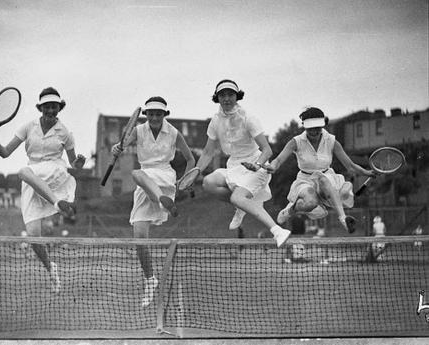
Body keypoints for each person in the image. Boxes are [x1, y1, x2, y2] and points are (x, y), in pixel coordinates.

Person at [0, 87, 86, 293]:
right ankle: (52, 269)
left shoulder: (65, 133)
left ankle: (57, 203)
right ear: (40, 108)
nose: (51, 110)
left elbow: (74, 165)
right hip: (33, 177)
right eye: (47, 106)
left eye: (55, 107)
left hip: (54, 171)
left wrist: (79, 162)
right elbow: (5, 153)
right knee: (33, 236)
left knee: (22, 171)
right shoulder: (27, 127)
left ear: (59, 108)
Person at [111, 96, 195, 307]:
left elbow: (191, 159)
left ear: (165, 114)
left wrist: (187, 179)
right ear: (146, 114)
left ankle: (161, 200)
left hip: (165, 178)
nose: (155, 117)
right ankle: (150, 279)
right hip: (145, 184)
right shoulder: (138, 131)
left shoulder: (174, 133)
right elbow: (121, 146)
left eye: (159, 113)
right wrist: (116, 148)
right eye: (151, 113)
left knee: (136, 173)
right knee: (139, 238)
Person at [195, 79, 291, 247]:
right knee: (208, 183)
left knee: (237, 197)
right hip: (234, 166)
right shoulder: (215, 121)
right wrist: (195, 172)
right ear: (217, 98)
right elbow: (208, 152)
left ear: (237, 97)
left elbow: (267, 149)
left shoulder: (249, 118)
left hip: (256, 166)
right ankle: (243, 206)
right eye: (222, 95)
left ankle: (277, 230)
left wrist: (258, 164)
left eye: (230, 94)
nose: (226, 99)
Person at [266, 107, 375, 233]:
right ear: (304, 126)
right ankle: (289, 210)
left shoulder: (332, 141)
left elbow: (350, 166)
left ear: (323, 125)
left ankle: (343, 218)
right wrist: (272, 166)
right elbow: (278, 160)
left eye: (317, 127)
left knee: (324, 180)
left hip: (327, 179)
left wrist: (367, 172)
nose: (314, 131)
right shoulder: (296, 142)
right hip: (305, 180)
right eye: (310, 128)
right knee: (310, 203)